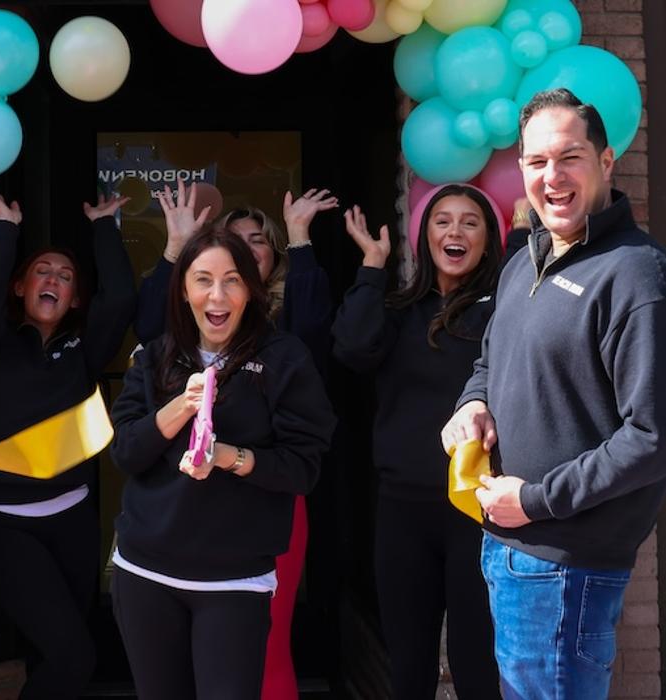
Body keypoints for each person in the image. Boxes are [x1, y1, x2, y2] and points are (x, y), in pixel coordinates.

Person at [441, 88, 666, 699]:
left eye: (570, 157)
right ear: (521, 171)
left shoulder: (636, 274)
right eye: (537, 162)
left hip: (567, 568)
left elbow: (651, 438)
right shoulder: (525, 261)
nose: (553, 177)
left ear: (607, 160)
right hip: (508, 550)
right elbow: (490, 361)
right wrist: (471, 404)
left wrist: (537, 500)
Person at [110, 227, 335, 700]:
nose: (218, 294)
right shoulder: (156, 356)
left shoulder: (284, 359)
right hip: (146, 573)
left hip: (234, 579)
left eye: (232, 280)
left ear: (250, 291)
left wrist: (227, 458)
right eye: (203, 280)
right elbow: (126, 451)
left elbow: (301, 467)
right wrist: (180, 408)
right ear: (184, 290)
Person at [0, 187, 136, 699]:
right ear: (20, 287)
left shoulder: (83, 351)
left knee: (53, 654)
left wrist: (105, 226)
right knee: (74, 655)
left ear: (75, 298)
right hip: (3, 526)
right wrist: (7, 228)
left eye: (65, 276)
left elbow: (120, 299)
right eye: (42, 271)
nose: (53, 279)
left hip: (73, 525)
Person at [332, 186, 502, 699]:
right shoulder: (400, 310)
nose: (455, 232)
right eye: (443, 221)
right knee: (409, 668)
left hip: (478, 511)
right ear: (425, 235)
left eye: (470, 222)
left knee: (477, 666)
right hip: (402, 512)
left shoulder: (503, 310)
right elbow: (353, 348)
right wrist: (372, 264)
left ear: (488, 239)